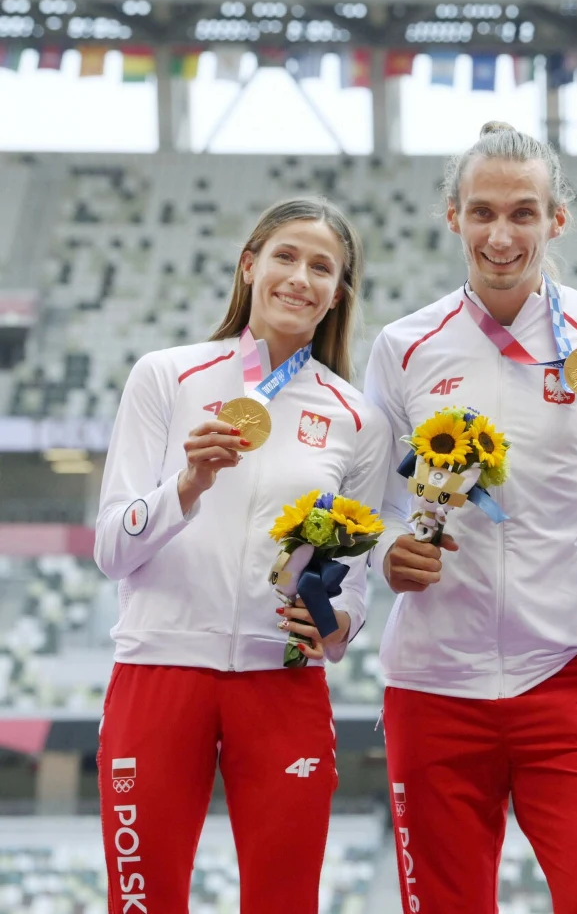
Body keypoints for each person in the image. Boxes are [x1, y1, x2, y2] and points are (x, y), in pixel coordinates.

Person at [364, 121, 577, 914]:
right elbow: (370, 509)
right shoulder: (404, 347)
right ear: (453, 217)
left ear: (556, 219)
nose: (502, 235)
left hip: (566, 676)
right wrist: (389, 554)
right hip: (433, 683)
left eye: (524, 213)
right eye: (483, 212)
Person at [94, 198, 386, 914]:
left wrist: (337, 623)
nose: (301, 277)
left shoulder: (359, 417)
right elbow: (109, 548)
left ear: (337, 293)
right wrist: (186, 486)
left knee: (284, 901)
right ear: (249, 264)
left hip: (282, 683)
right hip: (159, 669)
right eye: (285, 256)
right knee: (142, 901)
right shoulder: (166, 376)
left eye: (323, 267)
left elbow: (357, 576)